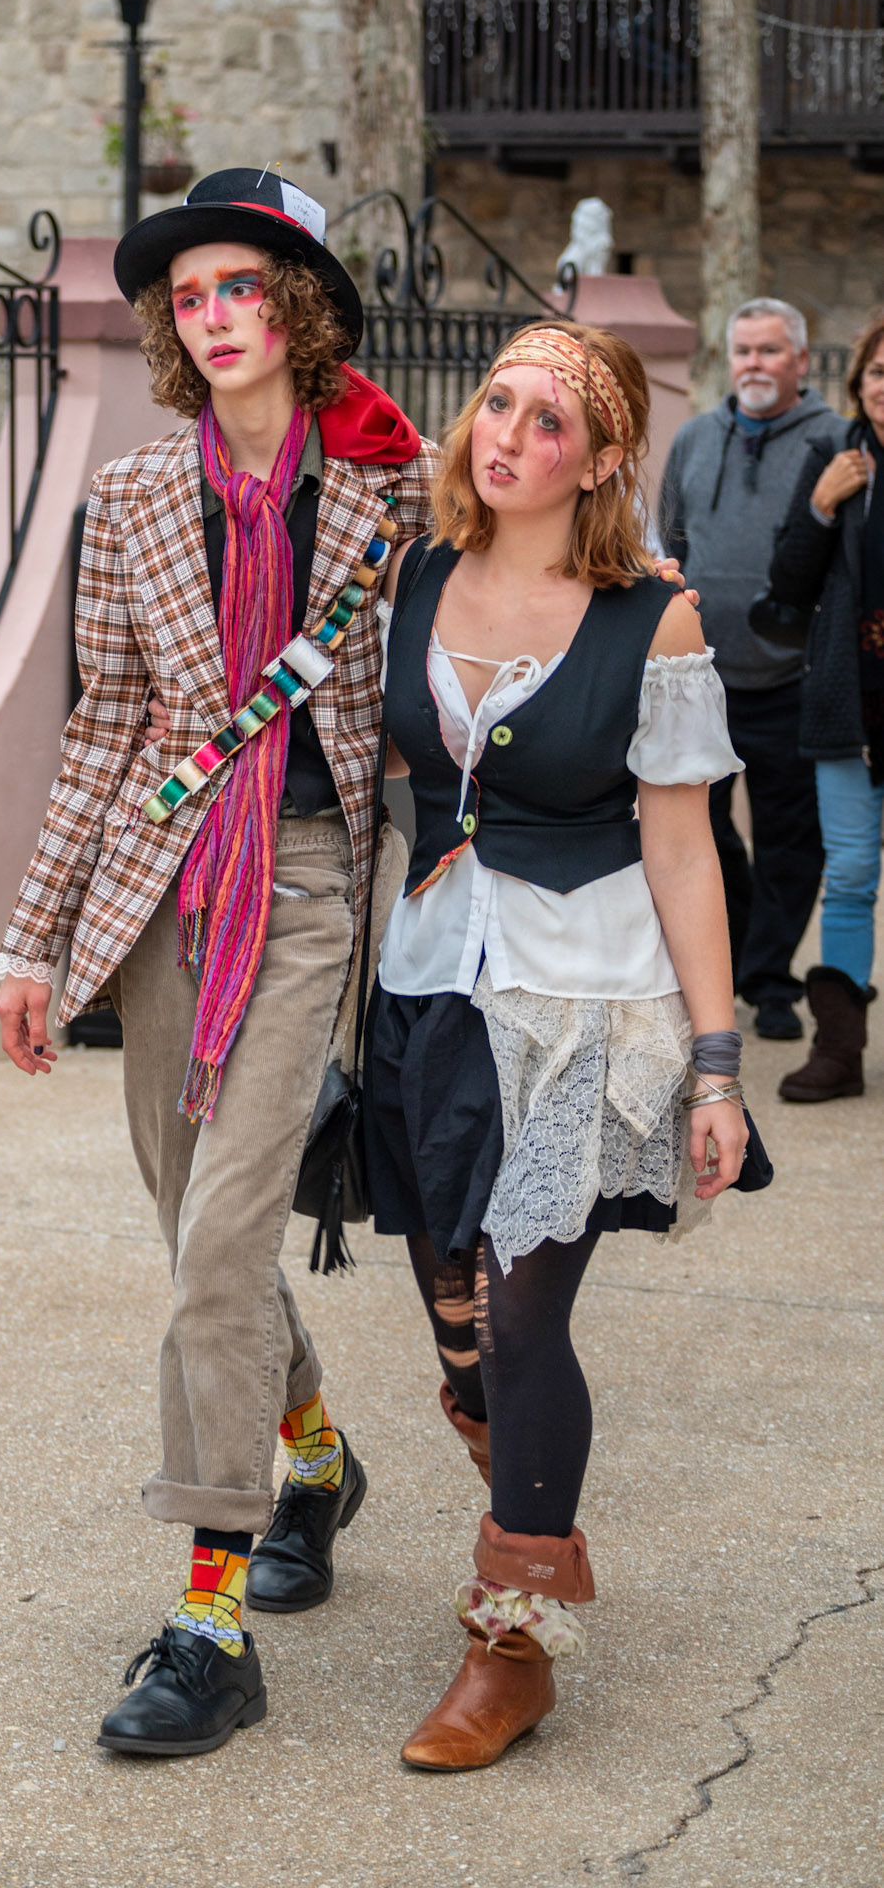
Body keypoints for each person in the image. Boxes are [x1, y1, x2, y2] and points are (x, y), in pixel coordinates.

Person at [0, 167, 435, 1757]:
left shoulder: (397, 492)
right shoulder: (129, 497)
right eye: (187, 297)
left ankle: (208, 1625)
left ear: (298, 307)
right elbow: (103, 731)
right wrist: (31, 937)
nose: (212, 316)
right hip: (161, 884)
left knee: (218, 1247)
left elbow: (527, 608)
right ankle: (311, 1457)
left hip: (309, 885)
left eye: (241, 285)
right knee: (204, 1243)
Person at [364, 320, 749, 1772]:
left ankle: (511, 1642)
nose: (507, 436)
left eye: (548, 421)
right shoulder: (409, 577)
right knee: (457, 1324)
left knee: (525, 1316)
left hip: (587, 1001)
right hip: (430, 984)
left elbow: (684, 848)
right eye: (496, 404)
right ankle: (509, 1457)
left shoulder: (654, 620)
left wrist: (716, 1061)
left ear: (597, 462)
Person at [659, 299, 845, 1040]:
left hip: (795, 679)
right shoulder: (696, 437)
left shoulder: (836, 441)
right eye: (743, 351)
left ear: (801, 360)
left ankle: (770, 982)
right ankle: (733, 956)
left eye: (770, 351)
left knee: (790, 838)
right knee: (704, 830)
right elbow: (671, 539)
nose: (754, 365)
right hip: (703, 678)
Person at [764, 312, 884, 1100]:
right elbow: (788, 581)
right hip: (850, 704)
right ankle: (839, 1052)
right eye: (878, 372)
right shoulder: (835, 456)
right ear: (858, 381)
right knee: (850, 876)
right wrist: (820, 505)